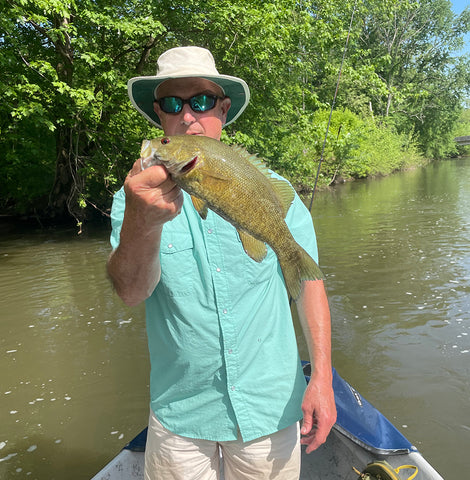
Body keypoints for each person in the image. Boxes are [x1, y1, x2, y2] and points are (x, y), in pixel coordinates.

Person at [107, 46, 336, 480]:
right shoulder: (132, 200)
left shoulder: (275, 189)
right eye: (173, 104)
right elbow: (130, 293)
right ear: (159, 114)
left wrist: (321, 379)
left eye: (202, 101)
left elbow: (310, 288)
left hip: (269, 411)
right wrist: (142, 222)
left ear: (224, 109)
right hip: (180, 419)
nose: (187, 115)